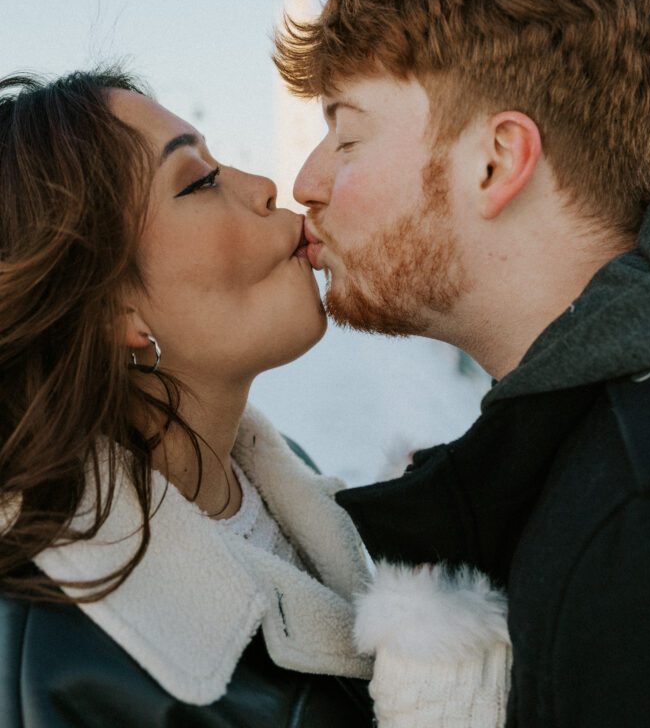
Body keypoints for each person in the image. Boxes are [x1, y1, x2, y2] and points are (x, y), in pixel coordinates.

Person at [275, 0, 650, 727]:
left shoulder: (646, 515)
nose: (305, 184)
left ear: (495, 162)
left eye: (346, 139)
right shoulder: (600, 462)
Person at [0, 69, 380, 727]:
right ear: (110, 309)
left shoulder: (289, 479)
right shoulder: (54, 663)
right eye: (200, 181)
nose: (266, 187)